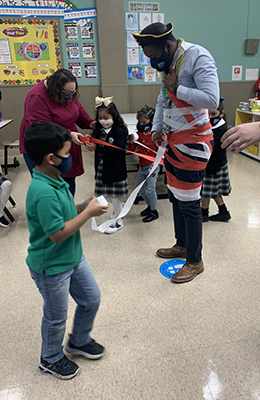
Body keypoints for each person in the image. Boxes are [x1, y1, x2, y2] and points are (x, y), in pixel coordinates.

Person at [133, 22, 219, 283]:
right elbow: (162, 99)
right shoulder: (168, 64)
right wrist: (157, 128)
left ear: (167, 45)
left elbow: (212, 99)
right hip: (171, 141)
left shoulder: (197, 56)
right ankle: (181, 245)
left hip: (193, 143)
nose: (152, 61)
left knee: (190, 203)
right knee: (175, 196)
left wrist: (177, 88)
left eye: (154, 56)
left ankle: (195, 260)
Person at [24, 120, 109, 380]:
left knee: (91, 299)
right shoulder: (43, 192)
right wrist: (89, 215)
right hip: (52, 267)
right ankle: (49, 358)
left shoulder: (55, 179)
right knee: (56, 316)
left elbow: (64, 213)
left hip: (73, 258)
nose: (70, 157)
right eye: (66, 153)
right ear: (51, 158)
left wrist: (82, 206)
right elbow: (58, 233)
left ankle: (79, 341)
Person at [20, 68, 96, 196]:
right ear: (56, 88)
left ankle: (69, 208)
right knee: (51, 186)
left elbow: (78, 110)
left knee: (68, 180)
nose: (71, 96)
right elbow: (41, 127)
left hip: (65, 140)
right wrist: (69, 134)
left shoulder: (69, 92)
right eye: (68, 93)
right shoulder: (36, 96)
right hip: (43, 143)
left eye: (73, 92)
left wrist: (91, 123)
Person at [85, 96, 128, 234]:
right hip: (102, 169)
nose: (103, 121)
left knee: (114, 196)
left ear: (113, 116)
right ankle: (118, 209)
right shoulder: (99, 130)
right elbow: (97, 146)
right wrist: (89, 142)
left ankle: (118, 221)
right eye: (100, 118)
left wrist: (97, 148)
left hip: (115, 170)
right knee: (108, 195)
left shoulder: (119, 131)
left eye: (106, 117)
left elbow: (118, 151)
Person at [201, 98, 231, 222]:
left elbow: (216, 150)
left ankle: (203, 215)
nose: (209, 118)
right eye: (207, 114)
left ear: (221, 113)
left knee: (205, 192)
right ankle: (223, 212)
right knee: (212, 190)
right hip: (212, 164)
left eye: (213, 114)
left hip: (214, 166)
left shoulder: (221, 130)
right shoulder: (210, 127)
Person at [128, 105, 159, 222]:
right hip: (142, 165)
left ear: (152, 121)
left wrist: (155, 164)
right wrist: (131, 141)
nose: (141, 124)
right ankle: (150, 206)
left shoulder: (156, 135)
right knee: (140, 189)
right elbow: (132, 149)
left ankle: (154, 211)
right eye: (139, 121)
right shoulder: (138, 134)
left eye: (144, 122)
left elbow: (160, 150)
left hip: (153, 166)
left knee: (151, 189)